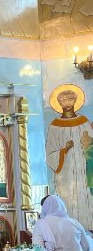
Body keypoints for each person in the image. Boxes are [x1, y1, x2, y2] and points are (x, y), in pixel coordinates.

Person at [45, 89, 93, 229]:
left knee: (86, 198)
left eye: (70, 99)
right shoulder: (54, 126)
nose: (67, 103)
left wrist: (89, 142)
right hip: (65, 171)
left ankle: (88, 228)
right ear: (59, 103)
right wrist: (64, 150)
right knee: (68, 200)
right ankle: (68, 229)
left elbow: (90, 143)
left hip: (83, 169)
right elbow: (50, 153)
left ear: (75, 101)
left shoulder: (84, 122)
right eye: (64, 100)